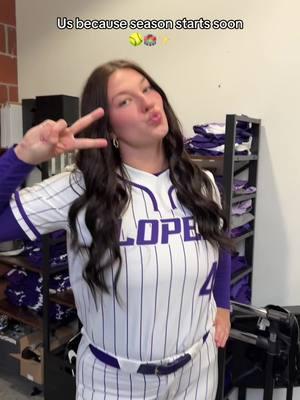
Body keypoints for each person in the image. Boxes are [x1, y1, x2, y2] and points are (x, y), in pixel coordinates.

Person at [0, 59, 233, 399]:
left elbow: (219, 242)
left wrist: (222, 304)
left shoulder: (202, 183)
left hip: (196, 372)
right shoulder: (80, 188)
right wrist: (22, 157)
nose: (147, 102)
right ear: (108, 127)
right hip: (116, 381)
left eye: (147, 88)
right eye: (125, 101)